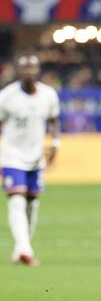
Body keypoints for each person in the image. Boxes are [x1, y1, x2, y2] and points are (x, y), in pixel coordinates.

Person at [0, 54, 60, 266]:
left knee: (32, 203)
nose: (28, 72)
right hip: (11, 156)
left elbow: (53, 120)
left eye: (32, 68)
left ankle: (21, 248)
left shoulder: (48, 94)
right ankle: (25, 248)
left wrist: (55, 144)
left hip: (35, 158)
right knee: (17, 197)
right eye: (24, 68)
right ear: (17, 70)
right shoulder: (7, 96)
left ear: (38, 70)